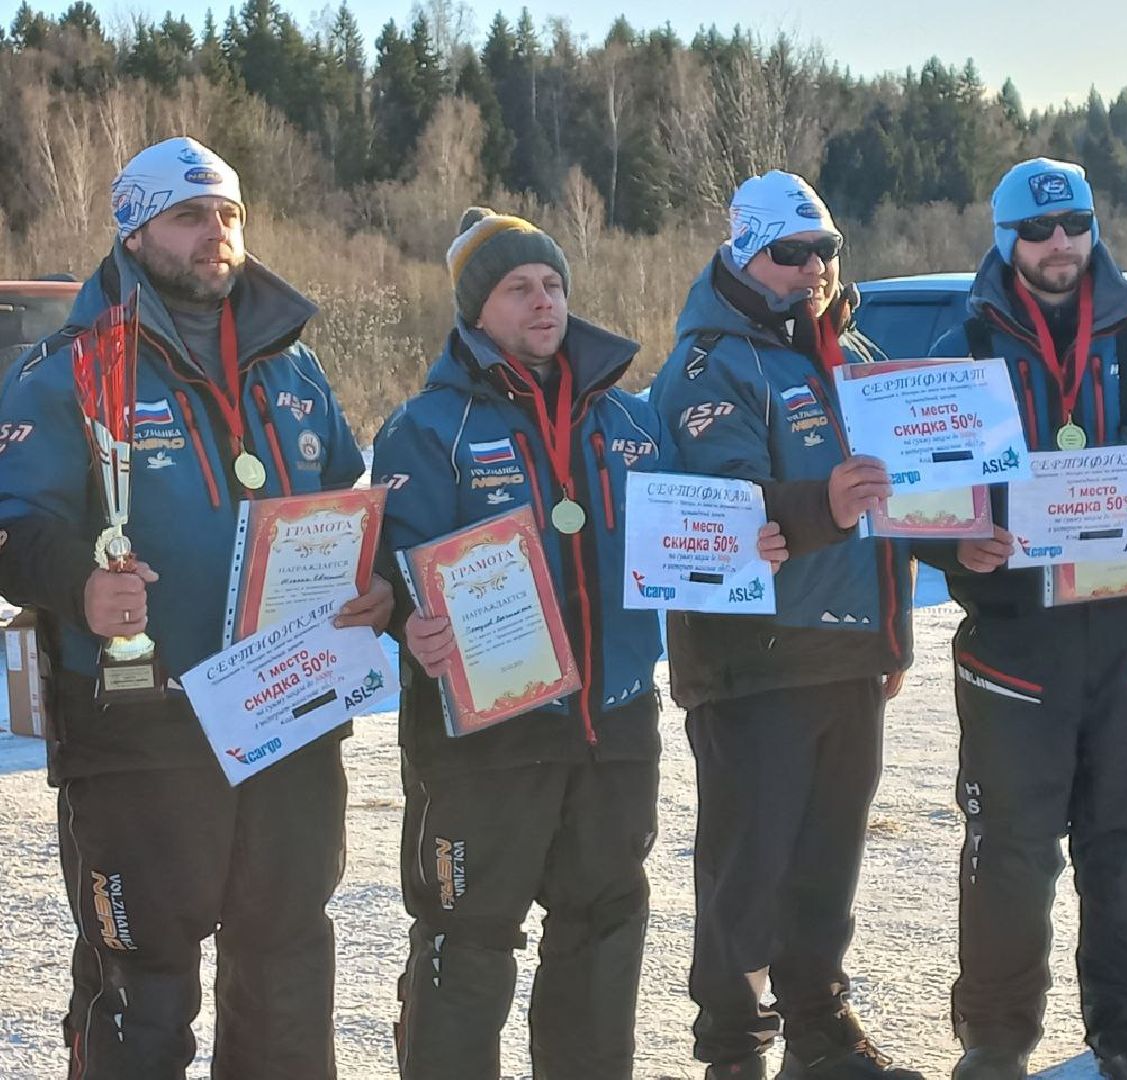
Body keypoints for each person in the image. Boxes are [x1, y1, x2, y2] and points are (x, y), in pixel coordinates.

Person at [0, 136, 390, 1078]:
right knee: (143, 988)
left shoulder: (293, 372)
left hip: (289, 716)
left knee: (287, 967)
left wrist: (378, 587)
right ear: (134, 235)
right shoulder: (67, 372)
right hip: (141, 726)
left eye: (228, 214)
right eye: (186, 215)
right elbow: (12, 526)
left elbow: (346, 512)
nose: (215, 233)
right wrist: (79, 587)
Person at [372, 207, 788, 1079]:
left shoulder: (630, 419)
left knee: (602, 934)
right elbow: (388, 568)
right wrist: (408, 619)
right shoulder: (428, 428)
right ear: (476, 307)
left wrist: (745, 539)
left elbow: (691, 525)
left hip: (614, 725)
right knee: (468, 943)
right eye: (519, 287)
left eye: (553, 284)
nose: (543, 301)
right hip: (485, 740)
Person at [923, 157, 1127, 1080]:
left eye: (1075, 226)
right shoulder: (963, 348)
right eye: (1038, 229)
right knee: (1009, 849)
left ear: (1094, 229)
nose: (1059, 245)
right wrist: (952, 546)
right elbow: (918, 496)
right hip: (1016, 642)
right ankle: (995, 1036)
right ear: (1006, 239)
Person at [649, 171, 920, 1080]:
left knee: (827, 864)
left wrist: (894, 636)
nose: (811, 269)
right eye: (789, 253)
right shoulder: (709, 362)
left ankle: (817, 1028)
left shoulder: (858, 354)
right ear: (744, 255)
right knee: (747, 871)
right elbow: (714, 507)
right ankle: (733, 1047)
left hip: (847, 651)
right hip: (754, 658)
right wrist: (822, 507)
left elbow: (898, 507)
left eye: (825, 251)